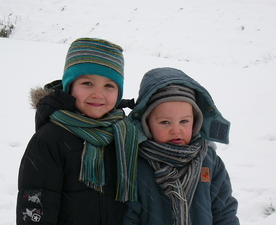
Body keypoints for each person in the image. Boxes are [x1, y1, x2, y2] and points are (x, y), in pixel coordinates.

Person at [16, 37, 140, 225]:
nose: (98, 94)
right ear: (70, 86)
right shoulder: (50, 140)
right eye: (87, 83)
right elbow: (36, 208)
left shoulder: (124, 135)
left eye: (109, 85)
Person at [124, 67, 239, 225]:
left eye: (184, 121)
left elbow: (224, 211)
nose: (176, 130)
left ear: (196, 121)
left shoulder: (209, 161)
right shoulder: (135, 165)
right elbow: (128, 214)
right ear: (146, 124)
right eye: (165, 122)